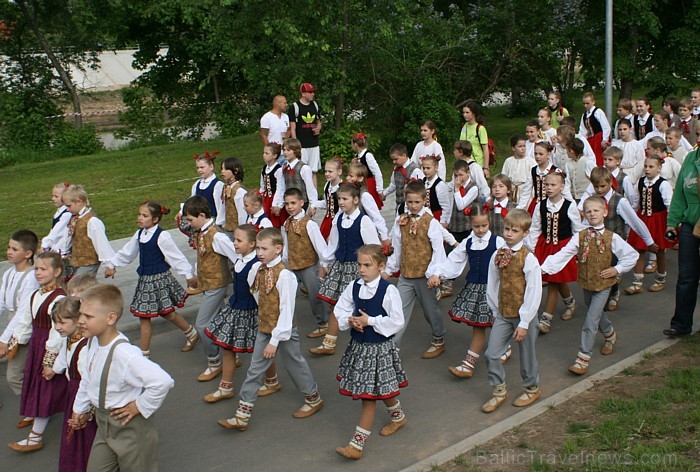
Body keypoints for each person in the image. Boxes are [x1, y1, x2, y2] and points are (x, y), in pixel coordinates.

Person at [218, 228, 324, 430]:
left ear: (278, 249)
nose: (260, 253)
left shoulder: (285, 276)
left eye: (264, 249)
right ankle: (242, 415)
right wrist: (263, 317)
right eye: (258, 248)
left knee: (294, 363)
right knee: (254, 369)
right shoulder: (258, 269)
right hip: (265, 327)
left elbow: (286, 311)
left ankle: (313, 397)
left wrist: (275, 341)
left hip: (283, 330)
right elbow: (257, 293)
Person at [70, 284, 174, 471]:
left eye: (88, 316)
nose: (80, 321)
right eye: (81, 314)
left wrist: (139, 406)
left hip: (129, 427)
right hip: (103, 424)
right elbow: (88, 377)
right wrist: (80, 408)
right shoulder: (93, 342)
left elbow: (162, 381)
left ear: (110, 318)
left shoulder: (125, 353)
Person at [542, 196, 638, 375]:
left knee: (590, 320)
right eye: (588, 211)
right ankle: (610, 335)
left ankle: (582, 359)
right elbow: (564, 254)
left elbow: (631, 255)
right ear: (584, 215)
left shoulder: (611, 237)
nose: (592, 213)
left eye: (596, 210)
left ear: (605, 212)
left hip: (604, 285)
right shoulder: (580, 236)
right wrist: (542, 269)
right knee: (596, 313)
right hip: (586, 284)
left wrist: (616, 269)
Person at [334, 244, 408, 460]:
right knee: (380, 389)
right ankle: (398, 417)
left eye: (367, 265)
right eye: (360, 265)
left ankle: (356, 446)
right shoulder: (354, 286)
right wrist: (351, 320)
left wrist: (370, 321)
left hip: (379, 349)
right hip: (359, 347)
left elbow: (397, 321)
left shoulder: (389, 290)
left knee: (369, 397)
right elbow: (341, 307)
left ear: (381, 266)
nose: (362, 269)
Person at [104, 201, 197, 357]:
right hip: (146, 280)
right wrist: (113, 264)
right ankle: (191, 332)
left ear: (155, 219)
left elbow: (175, 257)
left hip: (159, 279)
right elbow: (128, 252)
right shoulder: (140, 234)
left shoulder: (162, 236)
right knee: (165, 312)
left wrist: (188, 274)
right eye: (139, 215)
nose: (140, 218)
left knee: (146, 315)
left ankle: (143, 353)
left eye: (144, 216)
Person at [428, 202, 504, 378]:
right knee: (479, 326)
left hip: (494, 290)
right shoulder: (467, 243)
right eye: (476, 226)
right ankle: (468, 365)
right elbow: (453, 261)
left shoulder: (498, 242)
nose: (480, 229)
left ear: (489, 223)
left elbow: (510, 263)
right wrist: (437, 274)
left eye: (484, 225)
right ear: (470, 224)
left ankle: (502, 348)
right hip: (475, 290)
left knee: (497, 323)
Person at [482, 209, 542, 413]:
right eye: (507, 229)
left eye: (514, 230)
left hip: (523, 315)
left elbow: (534, 291)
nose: (508, 233)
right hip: (503, 312)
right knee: (491, 354)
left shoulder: (529, 259)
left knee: (527, 354)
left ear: (524, 233)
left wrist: (524, 322)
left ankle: (532, 387)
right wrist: (494, 308)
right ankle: (499, 390)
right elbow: (493, 282)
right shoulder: (498, 255)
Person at [311, 183, 381, 355]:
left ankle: (372, 341)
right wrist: (325, 263)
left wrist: (372, 270)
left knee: (363, 306)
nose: (341, 202)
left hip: (356, 268)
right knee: (337, 305)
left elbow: (373, 247)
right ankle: (329, 344)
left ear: (355, 200)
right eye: (339, 199)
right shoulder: (338, 218)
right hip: (340, 266)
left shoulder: (363, 220)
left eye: (345, 199)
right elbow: (333, 243)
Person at [8, 252, 67, 452]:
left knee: (46, 388)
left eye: (43, 269)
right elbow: (25, 319)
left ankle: (36, 436)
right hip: (36, 344)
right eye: (36, 269)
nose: (38, 273)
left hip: (49, 345)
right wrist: (16, 341)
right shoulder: (36, 294)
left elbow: (58, 332)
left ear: (57, 271)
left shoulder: (59, 298)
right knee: (37, 385)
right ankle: (37, 414)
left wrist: (49, 358)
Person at [383, 181, 447, 358]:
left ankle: (438, 337)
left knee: (430, 310)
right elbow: (397, 246)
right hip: (405, 275)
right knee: (398, 310)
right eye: (409, 202)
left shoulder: (430, 222)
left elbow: (438, 249)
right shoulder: (400, 220)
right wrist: (389, 269)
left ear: (424, 200)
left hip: (424, 276)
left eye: (416, 202)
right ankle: (392, 347)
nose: (413, 206)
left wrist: (435, 272)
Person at [578, 167, 655, 312]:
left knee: (609, 269)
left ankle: (613, 294)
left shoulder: (619, 201)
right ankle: (599, 295)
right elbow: (585, 223)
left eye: (603, 186)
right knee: (598, 269)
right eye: (596, 187)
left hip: (614, 243)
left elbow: (635, 222)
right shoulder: (592, 201)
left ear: (610, 183)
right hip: (594, 242)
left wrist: (649, 240)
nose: (599, 190)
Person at [182, 195, 238, 382]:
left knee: (202, 324)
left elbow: (236, 257)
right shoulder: (202, 233)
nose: (189, 224)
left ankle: (214, 361)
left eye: (190, 220)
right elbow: (203, 258)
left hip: (217, 285)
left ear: (202, 215)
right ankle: (232, 354)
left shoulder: (217, 236)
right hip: (208, 284)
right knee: (222, 320)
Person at [203, 225, 261, 403]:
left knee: (260, 351)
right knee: (227, 347)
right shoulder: (240, 260)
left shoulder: (255, 265)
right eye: (234, 239)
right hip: (235, 308)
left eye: (238, 240)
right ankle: (225, 387)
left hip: (249, 311)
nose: (234, 243)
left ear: (251, 244)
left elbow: (258, 294)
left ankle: (271, 380)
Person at [529, 172, 584, 333]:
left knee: (553, 282)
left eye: (553, 185)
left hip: (563, 248)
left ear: (562, 187)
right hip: (545, 247)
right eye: (546, 185)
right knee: (556, 279)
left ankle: (546, 319)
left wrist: (577, 251)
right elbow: (535, 228)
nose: (549, 188)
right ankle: (570, 302)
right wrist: (532, 250)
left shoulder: (569, 205)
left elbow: (577, 230)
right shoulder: (541, 205)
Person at [50, 297, 96, 472]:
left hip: (81, 395)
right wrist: (53, 369)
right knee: (74, 437)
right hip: (73, 392)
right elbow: (63, 356)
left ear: (78, 321)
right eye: (55, 322)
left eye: (62, 322)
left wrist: (86, 411)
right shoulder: (70, 339)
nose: (57, 327)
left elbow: (88, 381)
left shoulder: (84, 347)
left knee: (84, 437)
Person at [664, 145, 700, 338]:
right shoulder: (690, 158)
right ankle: (681, 325)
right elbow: (679, 192)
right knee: (686, 278)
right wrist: (672, 222)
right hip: (689, 225)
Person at [282, 188, 329, 338]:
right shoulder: (286, 224)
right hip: (292, 266)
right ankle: (285, 325)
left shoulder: (309, 224)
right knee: (286, 296)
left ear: (301, 203)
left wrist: (324, 264)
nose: (290, 207)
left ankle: (323, 323)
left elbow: (320, 246)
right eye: (287, 204)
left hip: (309, 266)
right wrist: (284, 261)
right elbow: (286, 245)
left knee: (315, 296)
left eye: (293, 203)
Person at [0, 230, 40, 404]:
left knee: (15, 375)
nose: (9, 251)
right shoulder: (9, 273)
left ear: (28, 253)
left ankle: (34, 405)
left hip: (24, 326)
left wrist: (4, 339)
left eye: (14, 249)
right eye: (9, 247)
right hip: (13, 320)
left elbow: (23, 312)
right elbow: (2, 302)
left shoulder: (31, 278)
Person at [625, 155, 674, 294]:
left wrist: (671, 223)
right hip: (643, 218)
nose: (647, 169)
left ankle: (660, 280)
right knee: (639, 250)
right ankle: (637, 282)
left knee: (659, 250)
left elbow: (669, 204)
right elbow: (636, 202)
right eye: (646, 166)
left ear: (659, 168)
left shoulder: (663, 184)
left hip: (658, 220)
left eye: (651, 167)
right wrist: (631, 218)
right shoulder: (641, 182)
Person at [62, 185, 115, 277]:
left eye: (69, 206)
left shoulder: (92, 221)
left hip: (89, 262)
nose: (67, 209)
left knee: (79, 287)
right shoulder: (76, 217)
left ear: (79, 202)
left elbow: (101, 243)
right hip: (78, 262)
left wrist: (109, 264)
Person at [517, 141, 569, 215]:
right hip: (536, 206)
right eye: (535, 154)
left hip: (553, 206)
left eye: (541, 154)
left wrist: (571, 206)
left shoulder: (556, 171)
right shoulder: (533, 170)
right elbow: (526, 191)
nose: (537, 156)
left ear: (548, 155)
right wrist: (520, 208)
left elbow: (565, 191)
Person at [347, 163, 391, 245]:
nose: (347, 178)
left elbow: (376, 216)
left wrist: (384, 236)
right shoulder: (350, 194)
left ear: (360, 178)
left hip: (365, 233)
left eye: (351, 176)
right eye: (348, 175)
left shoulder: (365, 196)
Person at [289, 83, 322, 186]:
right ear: (303, 93)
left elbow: (319, 121)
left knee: (313, 171)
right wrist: (296, 145)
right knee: (301, 171)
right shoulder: (295, 107)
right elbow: (293, 128)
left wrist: (318, 128)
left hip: (313, 144)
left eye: (313, 92)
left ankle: (314, 196)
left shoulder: (315, 105)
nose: (313, 94)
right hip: (302, 145)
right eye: (310, 92)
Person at [279, 138, 319, 218]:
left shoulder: (304, 168)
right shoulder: (284, 168)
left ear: (296, 151)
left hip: (302, 202)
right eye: (284, 150)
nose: (285, 152)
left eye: (288, 150)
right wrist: (279, 204)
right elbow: (282, 187)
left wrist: (313, 205)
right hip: (289, 202)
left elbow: (310, 188)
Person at [449, 160, 479, 243]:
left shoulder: (473, 188)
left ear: (468, 172)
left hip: (467, 227)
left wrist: (457, 189)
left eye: (461, 175)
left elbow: (460, 206)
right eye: (456, 175)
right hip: (453, 226)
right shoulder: (453, 185)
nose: (458, 178)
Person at [352, 131, 384, 209]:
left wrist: (379, 190)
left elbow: (377, 172)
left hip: (369, 185)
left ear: (355, 144)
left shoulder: (368, 155)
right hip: (359, 185)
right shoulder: (357, 156)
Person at [579, 92, 611, 167]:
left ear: (593, 102)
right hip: (591, 140)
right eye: (584, 103)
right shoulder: (584, 115)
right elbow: (583, 130)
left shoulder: (598, 112)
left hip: (599, 138)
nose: (585, 105)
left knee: (600, 158)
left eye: (587, 103)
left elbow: (605, 126)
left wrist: (605, 139)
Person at [382, 143, 419, 208]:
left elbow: (420, 189)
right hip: (399, 205)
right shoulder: (396, 168)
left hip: (411, 207)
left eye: (396, 159)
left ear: (404, 155)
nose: (394, 162)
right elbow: (393, 184)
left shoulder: (415, 169)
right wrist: (384, 193)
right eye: (392, 159)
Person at [460, 101, 491, 176]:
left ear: (473, 113)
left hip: (478, 163)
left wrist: (486, 168)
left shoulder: (480, 128)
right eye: (463, 112)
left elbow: (485, 149)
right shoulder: (465, 126)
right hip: (466, 163)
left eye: (467, 112)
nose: (465, 115)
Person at [502, 135, 536, 203]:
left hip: (526, 192)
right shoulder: (508, 161)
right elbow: (504, 178)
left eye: (524, 146)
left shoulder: (531, 161)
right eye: (520, 146)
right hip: (512, 191)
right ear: (513, 148)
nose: (523, 148)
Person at [220, 157, 248, 237]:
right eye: (222, 169)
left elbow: (242, 214)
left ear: (235, 171)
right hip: (227, 228)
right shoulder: (226, 187)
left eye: (226, 169)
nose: (222, 171)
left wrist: (242, 231)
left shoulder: (239, 191)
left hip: (236, 231)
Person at [41, 182, 71, 255]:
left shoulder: (67, 213)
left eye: (56, 196)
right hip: (56, 246)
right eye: (53, 196)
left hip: (63, 249)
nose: (53, 198)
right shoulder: (60, 211)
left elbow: (57, 231)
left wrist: (45, 245)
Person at [317, 157, 343, 240]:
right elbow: (327, 202)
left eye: (330, 171)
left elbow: (342, 210)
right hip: (327, 221)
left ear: (339, 172)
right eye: (325, 171)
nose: (327, 174)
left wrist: (333, 229)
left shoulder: (342, 188)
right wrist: (314, 205)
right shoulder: (327, 185)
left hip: (339, 221)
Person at [260, 143, 285, 228]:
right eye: (263, 153)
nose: (264, 155)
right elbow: (262, 185)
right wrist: (260, 198)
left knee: (275, 225)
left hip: (274, 198)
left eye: (267, 153)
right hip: (266, 199)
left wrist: (277, 205)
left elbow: (280, 189)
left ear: (274, 155)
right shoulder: (264, 169)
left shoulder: (278, 170)